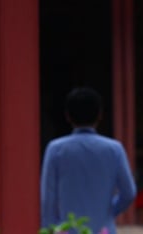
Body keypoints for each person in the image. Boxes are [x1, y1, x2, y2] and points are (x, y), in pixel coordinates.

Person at [40, 86, 137, 234]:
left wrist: (50, 230)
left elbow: (48, 200)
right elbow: (129, 193)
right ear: (100, 115)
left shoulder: (55, 149)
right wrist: (109, 212)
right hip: (103, 230)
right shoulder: (114, 149)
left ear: (68, 116)